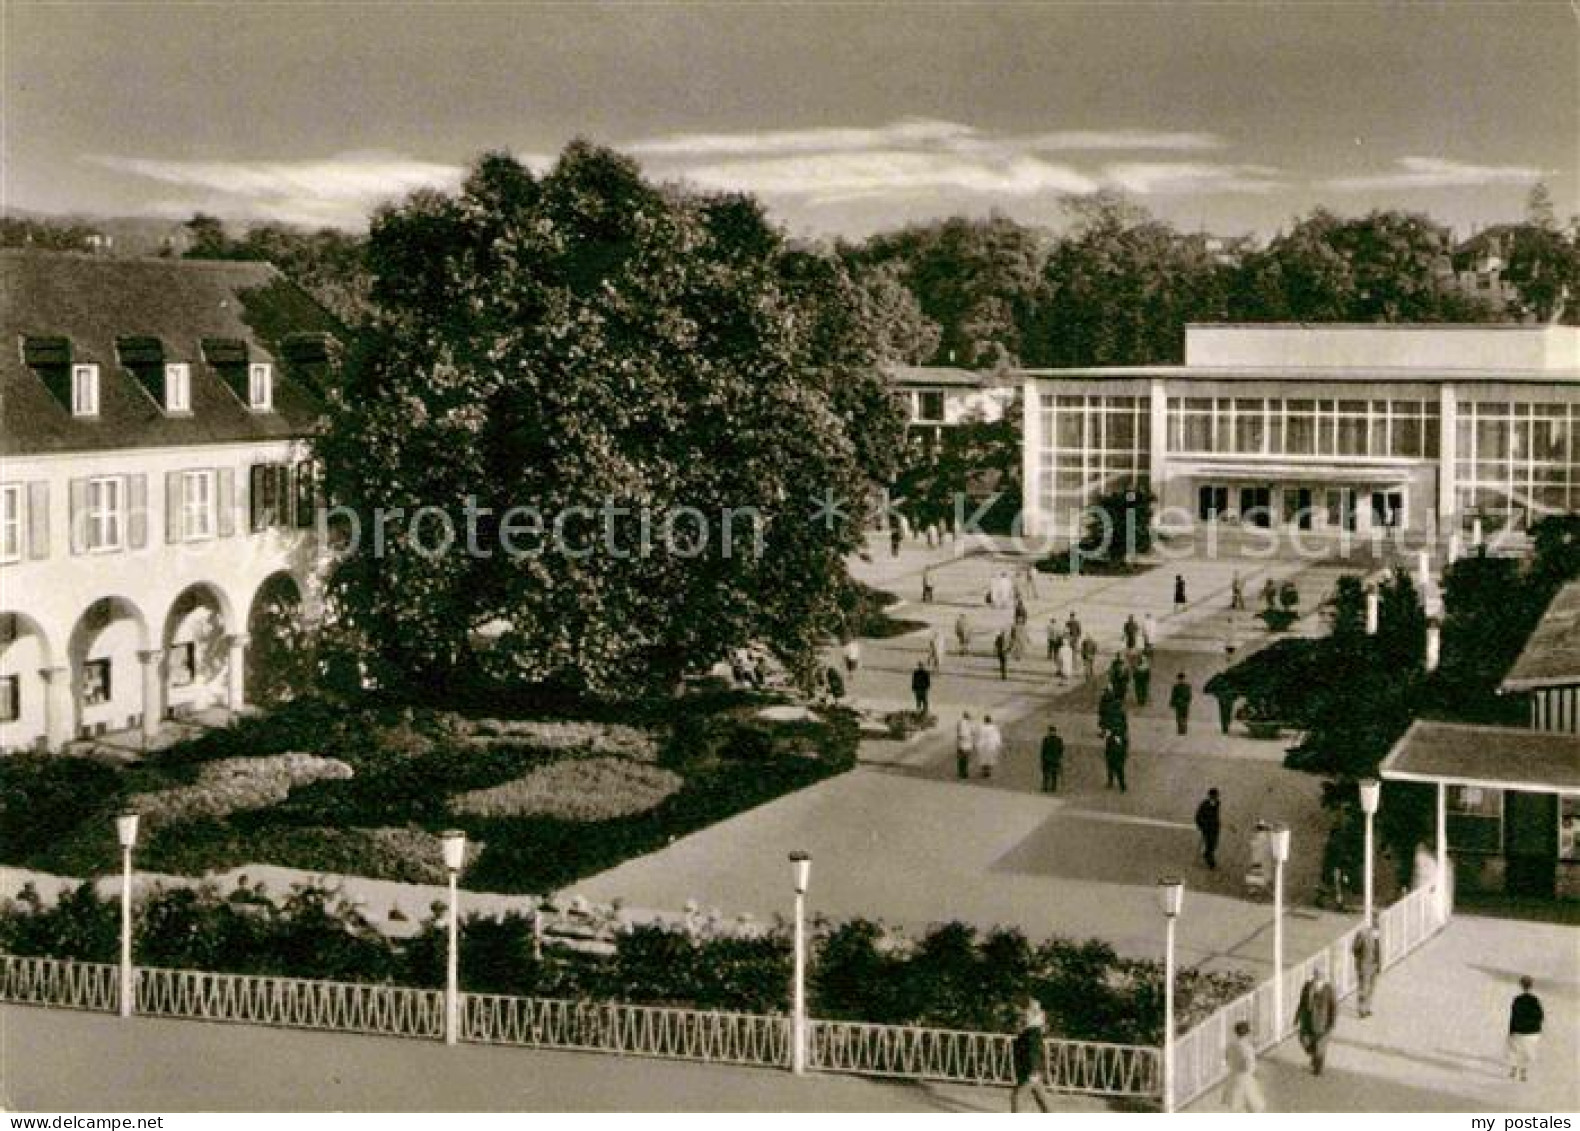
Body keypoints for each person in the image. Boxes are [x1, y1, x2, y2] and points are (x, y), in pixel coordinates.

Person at [1009, 993, 1052, 1113]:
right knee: (1042, 1100)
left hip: (1030, 1071)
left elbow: (1034, 1052)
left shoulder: (1032, 1033)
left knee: (1017, 1097)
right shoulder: (1031, 1032)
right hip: (1031, 1071)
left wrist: (1033, 1072)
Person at [1296, 968, 1337, 1075]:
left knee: (1320, 1046)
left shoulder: (1328, 989)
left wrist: (1331, 1023)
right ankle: (1313, 1055)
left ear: (1323, 977)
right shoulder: (1307, 986)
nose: (1317, 978)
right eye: (1316, 975)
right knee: (1304, 1040)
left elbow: (1333, 1007)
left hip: (1321, 1022)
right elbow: (1301, 1002)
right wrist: (1296, 1017)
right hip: (1307, 1019)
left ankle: (1318, 1069)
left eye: (1320, 976)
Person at [1221, 1020, 1267, 1112]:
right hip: (1245, 1080)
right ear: (1247, 1033)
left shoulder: (1230, 1046)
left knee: (1238, 1110)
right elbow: (1249, 1066)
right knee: (1257, 1109)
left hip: (1233, 1079)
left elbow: (1227, 1060)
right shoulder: (1247, 1047)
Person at [1507, 975, 1544, 1081]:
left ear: (1521, 985)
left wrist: (1511, 1031)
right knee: (1527, 1051)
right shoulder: (1535, 1000)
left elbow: (1513, 1016)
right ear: (1531, 986)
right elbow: (1540, 1016)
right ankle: (1523, 1072)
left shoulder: (1517, 1000)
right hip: (1532, 1031)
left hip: (1518, 1030)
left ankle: (1513, 1069)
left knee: (1515, 1049)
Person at [1352, 920, 1381, 1018]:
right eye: (1375, 929)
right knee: (1363, 988)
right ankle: (1361, 1009)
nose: (1376, 933)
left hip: (1374, 965)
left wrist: (1378, 965)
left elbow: (1378, 951)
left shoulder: (1377, 937)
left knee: (1371, 987)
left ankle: (1367, 1007)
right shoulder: (1362, 934)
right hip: (1364, 965)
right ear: (1371, 928)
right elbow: (1355, 948)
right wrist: (1360, 960)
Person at [1194, 788, 1222, 870]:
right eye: (1215, 796)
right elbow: (1198, 817)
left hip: (1215, 828)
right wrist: (1202, 827)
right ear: (1210, 796)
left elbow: (1215, 815)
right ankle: (1211, 863)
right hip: (1207, 829)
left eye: (1217, 796)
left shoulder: (1217, 803)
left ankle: (1208, 856)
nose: (1216, 797)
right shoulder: (1204, 805)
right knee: (1210, 845)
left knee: (1214, 844)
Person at [1040, 724, 1064, 793]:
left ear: (1055, 732)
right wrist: (1042, 759)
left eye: (1053, 731)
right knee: (1046, 775)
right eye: (1051, 731)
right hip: (1047, 759)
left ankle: (1053, 788)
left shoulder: (1058, 740)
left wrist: (1059, 757)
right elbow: (1043, 750)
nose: (1052, 732)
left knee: (1054, 774)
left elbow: (1061, 749)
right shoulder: (1046, 739)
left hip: (1055, 760)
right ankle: (1045, 787)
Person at [976, 715, 1002, 779]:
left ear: (984, 720)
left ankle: (984, 772)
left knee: (983, 759)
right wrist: (998, 744)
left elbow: (978, 736)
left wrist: (977, 744)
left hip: (982, 745)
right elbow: (997, 737)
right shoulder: (994, 728)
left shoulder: (981, 727)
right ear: (990, 720)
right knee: (990, 759)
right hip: (991, 745)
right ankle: (988, 773)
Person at [955, 712, 977, 780]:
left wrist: (958, 741)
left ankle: (960, 771)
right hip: (968, 742)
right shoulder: (971, 723)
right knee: (966, 758)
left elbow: (958, 732)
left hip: (961, 742)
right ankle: (964, 772)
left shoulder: (960, 722)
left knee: (960, 758)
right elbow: (973, 733)